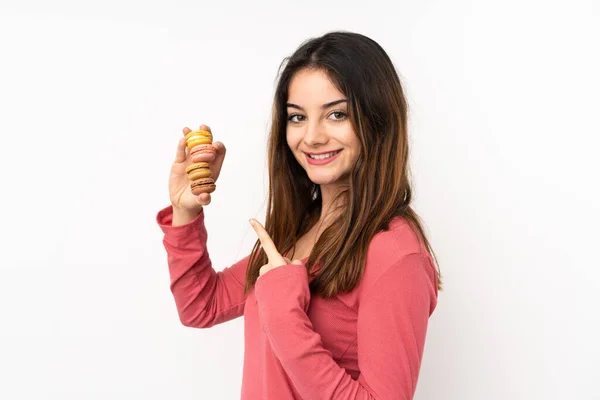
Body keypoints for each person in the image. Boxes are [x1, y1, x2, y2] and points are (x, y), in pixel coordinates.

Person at [156, 30, 441, 400]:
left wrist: (283, 310)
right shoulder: (297, 233)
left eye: (337, 114)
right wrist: (185, 211)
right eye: (297, 117)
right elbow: (201, 306)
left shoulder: (395, 254)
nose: (312, 137)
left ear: (378, 120)